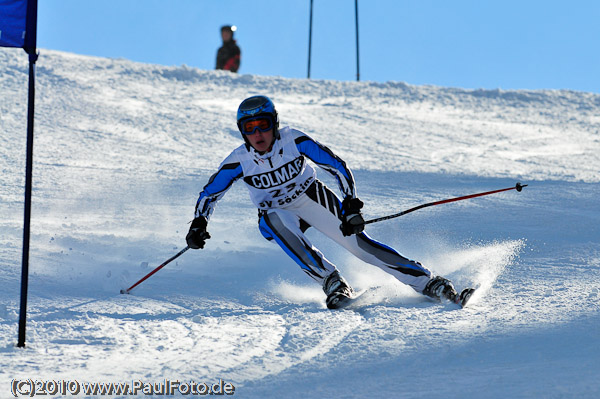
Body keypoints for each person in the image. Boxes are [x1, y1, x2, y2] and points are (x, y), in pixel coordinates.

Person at [186, 95, 463, 309]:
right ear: (242, 132)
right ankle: (332, 282)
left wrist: (350, 204)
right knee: (274, 221)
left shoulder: (294, 140)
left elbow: (336, 166)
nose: (258, 134)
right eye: (250, 128)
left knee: (361, 247)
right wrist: (199, 223)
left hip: (310, 196)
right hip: (277, 211)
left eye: (264, 125)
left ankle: (428, 282)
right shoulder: (239, 160)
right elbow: (210, 193)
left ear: (275, 124)